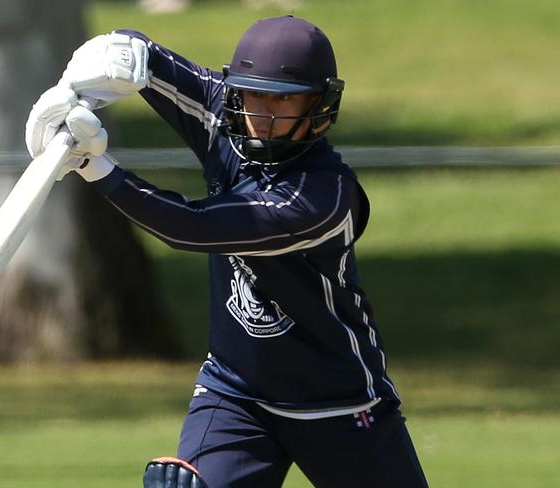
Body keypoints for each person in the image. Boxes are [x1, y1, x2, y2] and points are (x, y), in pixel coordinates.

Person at [25, 15, 429, 488]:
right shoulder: (224, 115)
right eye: (254, 94)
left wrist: (96, 166)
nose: (264, 111)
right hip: (235, 392)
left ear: (319, 106)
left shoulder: (321, 198)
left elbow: (192, 228)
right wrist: (85, 84)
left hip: (337, 401)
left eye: (284, 98)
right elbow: (142, 56)